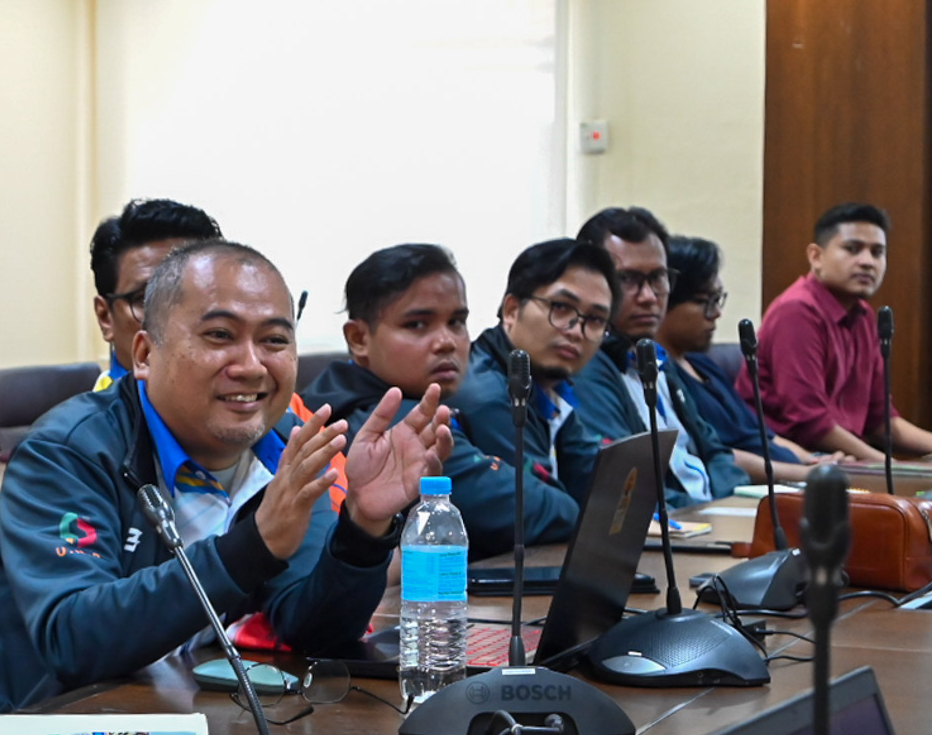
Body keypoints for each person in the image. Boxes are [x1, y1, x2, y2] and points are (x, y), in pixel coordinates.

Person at [0, 240, 451, 735]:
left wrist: (363, 529)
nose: (251, 365)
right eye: (219, 335)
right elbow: (75, 640)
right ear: (145, 353)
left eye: (274, 340)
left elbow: (311, 629)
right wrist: (251, 547)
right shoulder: (67, 452)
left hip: (167, 727)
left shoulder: (284, 446)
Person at [301, 245, 577, 559]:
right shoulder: (391, 422)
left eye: (457, 322)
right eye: (417, 324)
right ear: (359, 339)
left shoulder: (354, 391)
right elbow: (544, 514)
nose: (446, 342)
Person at [572, 206, 747, 508]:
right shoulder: (587, 366)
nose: (649, 296)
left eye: (658, 278)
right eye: (628, 279)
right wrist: (704, 513)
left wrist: (728, 504)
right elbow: (627, 485)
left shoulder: (655, 358)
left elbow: (716, 452)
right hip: (672, 523)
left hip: (710, 514)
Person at [741, 203, 932, 462]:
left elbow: (880, 419)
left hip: (842, 461)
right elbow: (810, 423)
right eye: (852, 249)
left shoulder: (863, 316)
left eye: (877, 252)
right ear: (816, 256)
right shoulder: (796, 312)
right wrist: (891, 469)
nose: (867, 262)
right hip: (791, 463)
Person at [660, 235, 834, 482]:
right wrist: (808, 474)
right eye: (705, 302)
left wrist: (816, 460)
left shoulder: (703, 365)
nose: (717, 313)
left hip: (789, 477)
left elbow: (764, 436)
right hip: (750, 487)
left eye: (718, 300)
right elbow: (715, 455)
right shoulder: (660, 377)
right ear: (665, 300)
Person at [456, 238, 617, 502]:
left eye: (596, 319)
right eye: (561, 307)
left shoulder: (550, 386)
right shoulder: (487, 394)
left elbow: (597, 479)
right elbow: (539, 508)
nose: (576, 331)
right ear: (511, 310)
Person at [89, 197, 224, 387]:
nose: (179, 323)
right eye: (148, 299)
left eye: (200, 297)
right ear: (105, 317)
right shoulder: (90, 408)